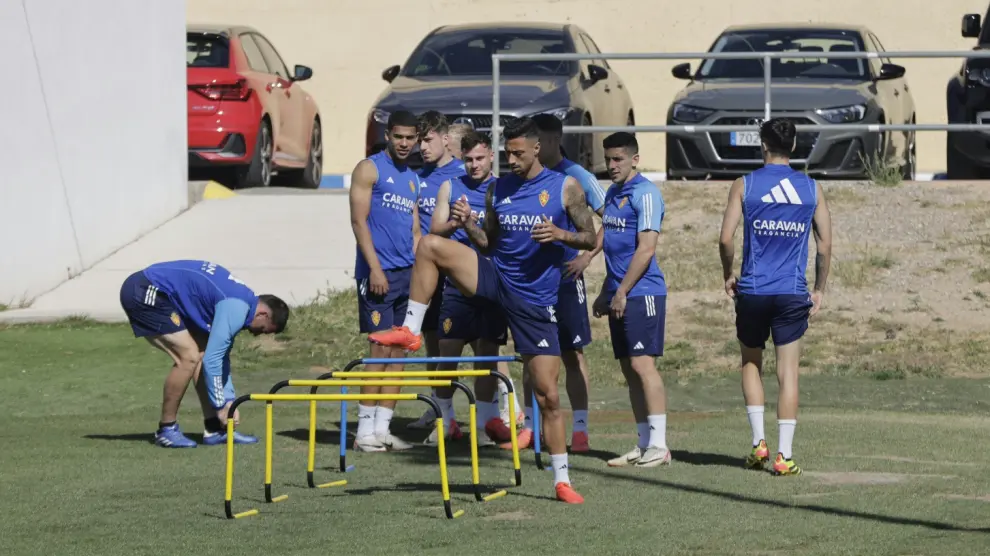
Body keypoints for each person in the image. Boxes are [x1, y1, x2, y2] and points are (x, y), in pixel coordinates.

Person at [368, 117, 598, 504]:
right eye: (508, 152)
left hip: (534, 300)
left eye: (518, 153)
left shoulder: (565, 186)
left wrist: (560, 235)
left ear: (537, 149)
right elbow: (488, 244)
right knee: (429, 245)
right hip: (494, 276)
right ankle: (410, 329)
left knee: (548, 395)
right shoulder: (499, 189)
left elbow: (590, 236)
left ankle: (562, 480)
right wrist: (469, 223)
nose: (512, 160)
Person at [717, 118, 832, 476]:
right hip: (791, 293)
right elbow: (825, 245)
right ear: (794, 147)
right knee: (789, 373)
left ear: (763, 146)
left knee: (751, 363)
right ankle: (784, 456)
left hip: (752, 290)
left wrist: (727, 274)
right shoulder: (811, 189)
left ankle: (758, 444)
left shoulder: (745, 184)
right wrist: (819, 289)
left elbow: (725, 238)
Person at [118, 259, 290, 448]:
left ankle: (214, 428)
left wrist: (229, 401)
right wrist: (220, 404)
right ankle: (166, 429)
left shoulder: (242, 303)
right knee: (188, 356)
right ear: (263, 315)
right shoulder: (236, 308)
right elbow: (213, 360)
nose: (257, 334)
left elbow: (220, 357)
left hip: (158, 292)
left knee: (201, 351)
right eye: (263, 330)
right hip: (144, 289)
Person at [421, 130, 508, 447]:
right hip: (456, 285)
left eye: (480, 159)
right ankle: (445, 421)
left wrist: (473, 222)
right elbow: (435, 231)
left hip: (490, 282)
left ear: (491, 156)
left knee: (486, 357)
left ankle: (485, 426)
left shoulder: (501, 189)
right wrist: (457, 223)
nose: (473, 165)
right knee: (448, 354)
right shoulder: (450, 186)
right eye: (468, 159)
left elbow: (498, 240)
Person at [590, 133, 672, 468]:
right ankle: (643, 443)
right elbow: (611, 247)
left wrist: (621, 292)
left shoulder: (646, 193)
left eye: (618, 159)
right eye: (608, 159)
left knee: (642, 365)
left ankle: (661, 445)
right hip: (620, 293)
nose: (611, 166)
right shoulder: (613, 193)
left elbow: (645, 249)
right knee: (628, 368)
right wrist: (606, 292)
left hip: (643, 293)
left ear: (635, 159)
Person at [531, 113, 607, 452]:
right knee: (531, 353)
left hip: (564, 277)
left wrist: (587, 257)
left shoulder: (577, 177)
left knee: (572, 353)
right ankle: (534, 429)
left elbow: (613, 218)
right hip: (532, 279)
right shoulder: (526, 176)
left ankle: (579, 430)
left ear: (550, 141)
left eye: (536, 142)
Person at [348, 109, 423, 452]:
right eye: (399, 137)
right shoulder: (369, 168)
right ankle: (363, 432)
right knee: (378, 350)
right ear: (389, 135)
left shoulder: (413, 178)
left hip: (408, 274)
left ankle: (383, 429)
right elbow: (359, 222)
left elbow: (416, 229)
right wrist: (375, 268)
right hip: (378, 273)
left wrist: (422, 273)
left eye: (411, 138)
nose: (405, 143)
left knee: (400, 351)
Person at [403, 111, 468, 439]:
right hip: (429, 274)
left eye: (427, 140)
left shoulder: (463, 174)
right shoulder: (417, 177)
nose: (422, 147)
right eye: (419, 141)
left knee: (484, 342)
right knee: (433, 343)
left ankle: (502, 407)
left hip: (462, 273)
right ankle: (441, 409)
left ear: (446, 139)